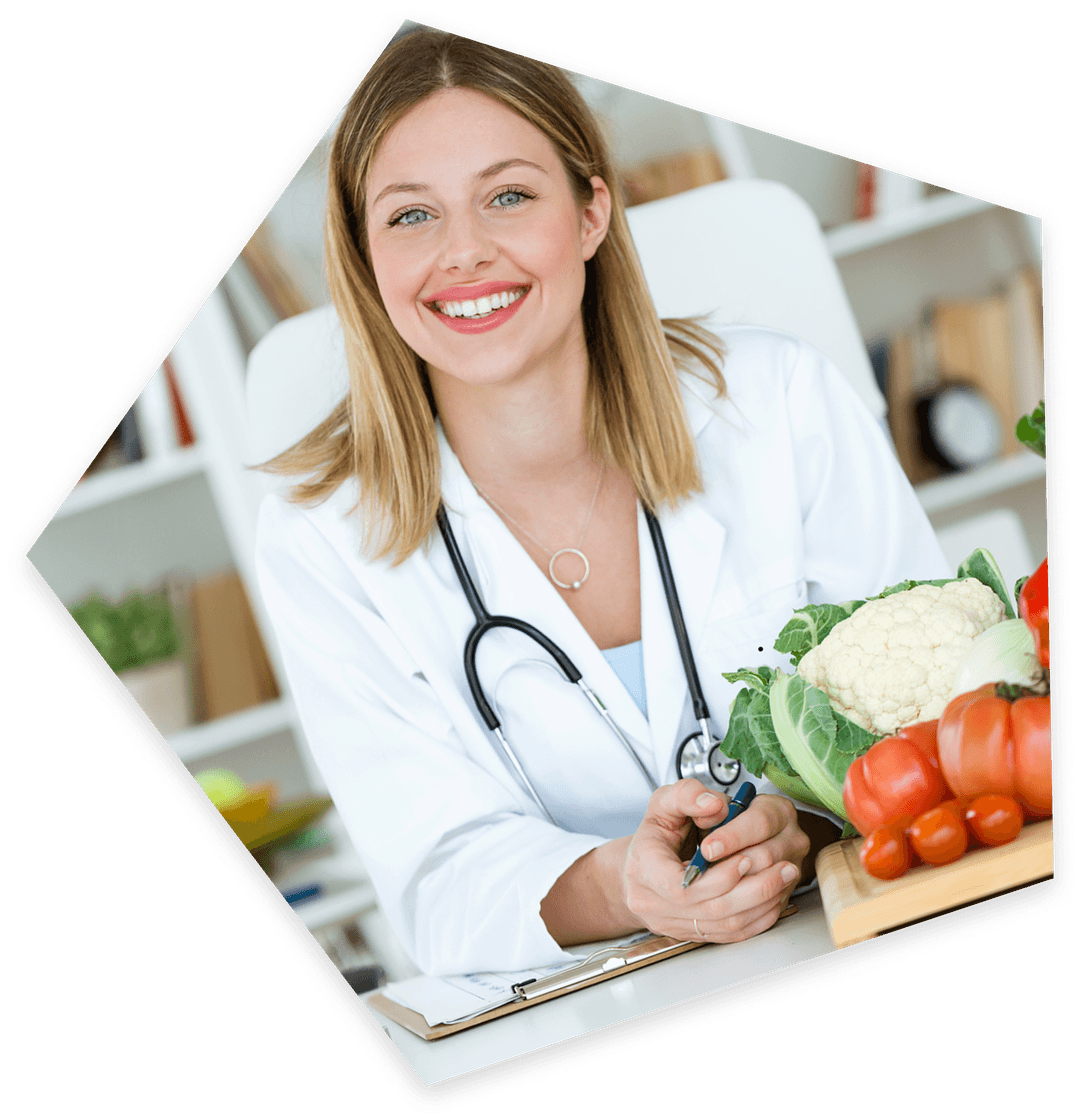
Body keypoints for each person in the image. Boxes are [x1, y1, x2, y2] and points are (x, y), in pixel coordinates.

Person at [253, 28, 951, 977]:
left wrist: (810, 819)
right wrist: (625, 883)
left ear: (589, 213)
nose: (464, 254)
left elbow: (940, 712)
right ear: (367, 260)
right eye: (411, 217)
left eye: (508, 196)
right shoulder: (320, 539)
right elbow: (437, 882)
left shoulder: (780, 402)